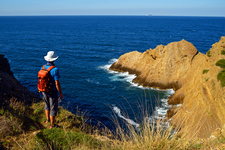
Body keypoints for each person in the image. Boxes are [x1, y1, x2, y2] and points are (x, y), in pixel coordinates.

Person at [41, 51, 63, 129]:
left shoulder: (43, 67)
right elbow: (57, 83)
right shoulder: (55, 69)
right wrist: (60, 93)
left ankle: (47, 120)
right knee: (53, 107)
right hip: (52, 91)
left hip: (43, 90)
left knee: (47, 105)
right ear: (54, 60)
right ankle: (52, 125)